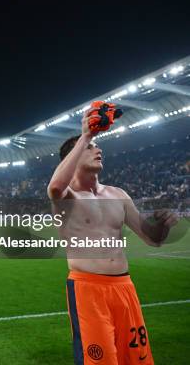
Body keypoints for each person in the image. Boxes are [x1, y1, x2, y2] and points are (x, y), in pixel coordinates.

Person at [47, 107, 179, 365]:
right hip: (88, 289)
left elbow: (153, 239)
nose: (98, 149)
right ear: (71, 159)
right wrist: (84, 136)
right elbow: (54, 187)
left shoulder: (118, 195)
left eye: (97, 145)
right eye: (90, 147)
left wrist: (162, 225)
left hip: (125, 288)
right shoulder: (68, 198)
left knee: (137, 359)